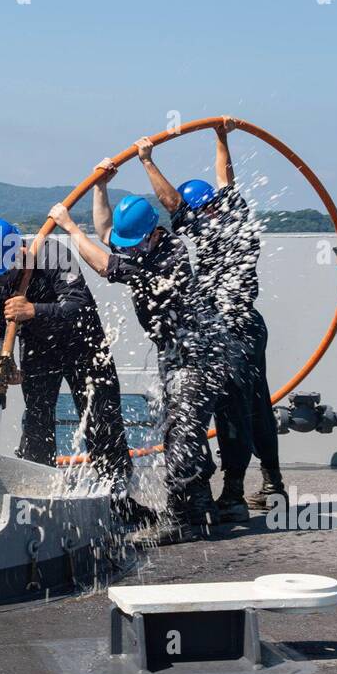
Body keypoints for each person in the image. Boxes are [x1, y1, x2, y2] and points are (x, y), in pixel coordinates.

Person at [49, 166, 230, 543]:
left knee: (181, 437)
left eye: (130, 243)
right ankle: (201, 509)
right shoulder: (141, 247)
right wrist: (100, 188)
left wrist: (68, 226)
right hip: (175, 353)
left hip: (199, 357)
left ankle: (180, 521)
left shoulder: (168, 258)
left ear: (152, 234)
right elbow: (105, 234)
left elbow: (101, 264)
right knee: (176, 427)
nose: (124, 248)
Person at [133, 131, 284, 523]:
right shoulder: (235, 216)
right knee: (255, 405)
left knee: (229, 410)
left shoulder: (203, 231)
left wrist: (147, 160)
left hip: (227, 334)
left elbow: (170, 201)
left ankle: (231, 495)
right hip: (250, 324)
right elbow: (227, 180)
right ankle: (272, 484)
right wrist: (221, 137)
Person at [0, 217, 139, 503]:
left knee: (102, 421)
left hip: (84, 345)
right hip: (39, 349)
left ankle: (120, 500)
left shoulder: (52, 255)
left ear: (20, 253)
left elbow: (81, 307)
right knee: (37, 424)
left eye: (4, 273)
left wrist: (34, 310)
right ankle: (39, 498)